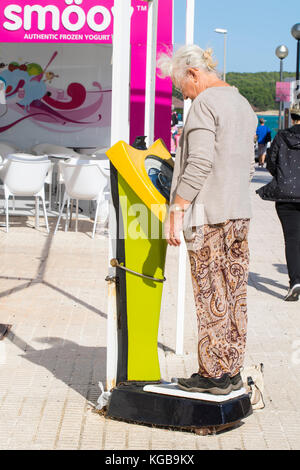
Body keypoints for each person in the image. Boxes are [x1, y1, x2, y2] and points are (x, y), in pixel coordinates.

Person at [157, 45, 257, 395]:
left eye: (180, 85)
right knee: (234, 294)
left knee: (210, 293)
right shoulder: (242, 104)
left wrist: (177, 208)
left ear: (193, 74)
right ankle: (231, 370)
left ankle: (211, 374)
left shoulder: (204, 104)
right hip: (238, 213)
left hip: (208, 215)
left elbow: (199, 163)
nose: (181, 93)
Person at [256, 105, 300, 301]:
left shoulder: (281, 137)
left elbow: (271, 164)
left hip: (286, 196)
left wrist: (284, 177)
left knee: (292, 239)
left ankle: (295, 281)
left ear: (292, 117)